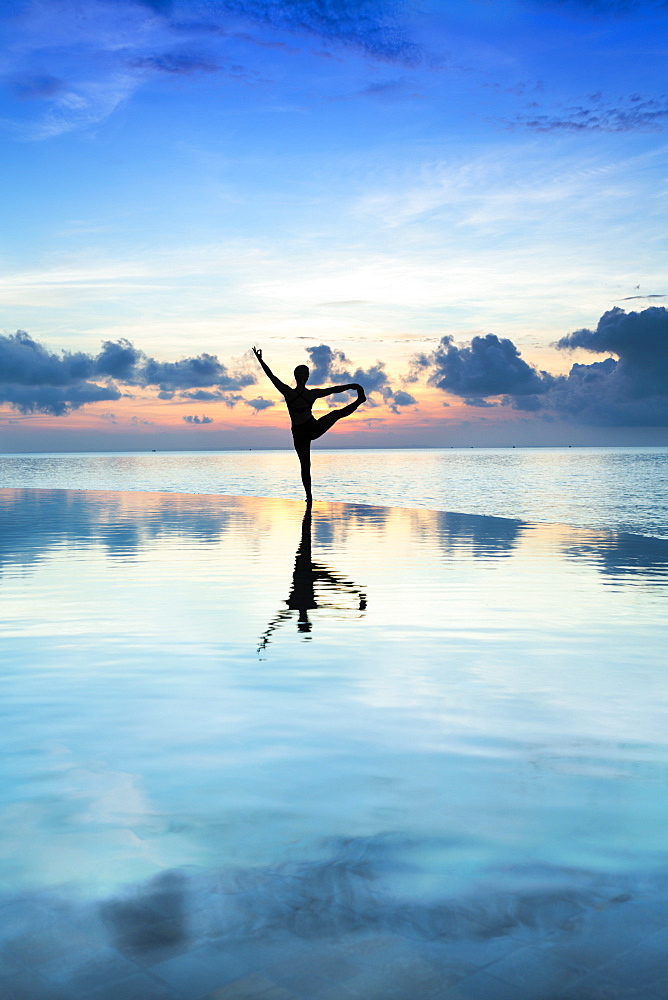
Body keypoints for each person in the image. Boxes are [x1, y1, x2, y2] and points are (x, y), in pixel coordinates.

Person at [252, 346, 366, 502]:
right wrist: (260, 360)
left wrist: (351, 386)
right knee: (305, 464)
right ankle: (309, 497)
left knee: (335, 415)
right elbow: (271, 376)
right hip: (302, 432)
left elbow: (332, 390)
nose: (302, 376)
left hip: (310, 428)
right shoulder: (295, 392)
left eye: (303, 374)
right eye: (301, 374)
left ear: (304, 377)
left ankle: (360, 400)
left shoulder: (298, 393)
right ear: (299, 377)